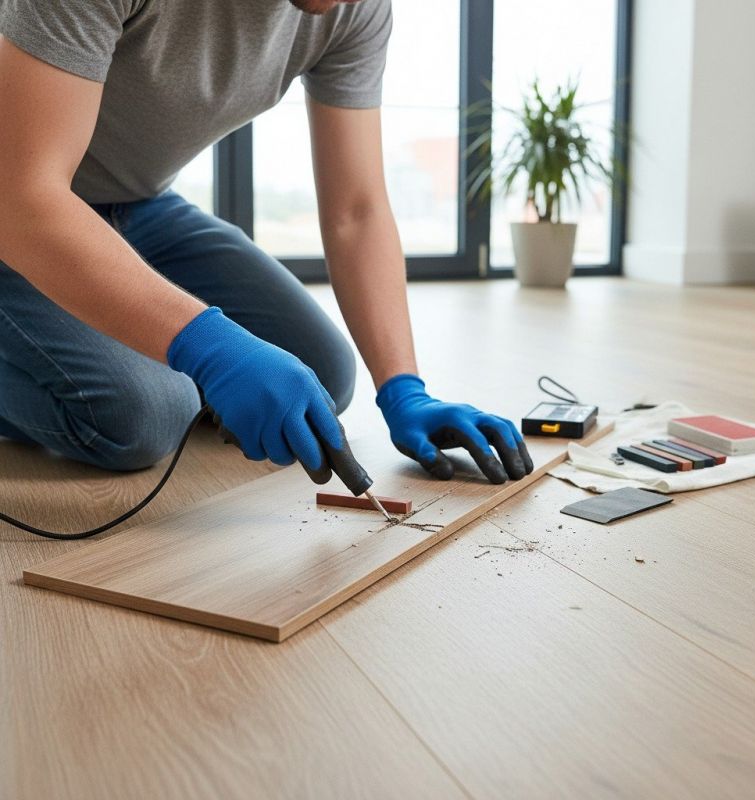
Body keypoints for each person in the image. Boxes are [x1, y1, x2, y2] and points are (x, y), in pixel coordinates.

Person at [0, 0, 532, 489]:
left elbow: (356, 210)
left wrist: (404, 388)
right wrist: (206, 349)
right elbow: (22, 197)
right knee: (144, 415)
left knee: (321, 373)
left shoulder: (353, 8)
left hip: (138, 203)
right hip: (15, 198)